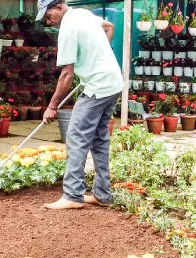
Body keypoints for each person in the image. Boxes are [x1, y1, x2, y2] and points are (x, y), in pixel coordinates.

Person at [36, 0, 123, 210]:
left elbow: (67, 74)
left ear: (58, 6)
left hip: (98, 87)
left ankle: (72, 195)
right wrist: (97, 57)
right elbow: (109, 27)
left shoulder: (67, 28)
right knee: (99, 139)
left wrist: (52, 106)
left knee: (75, 136)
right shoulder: (84, 14)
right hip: (113, 83)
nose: (49, 22)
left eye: (48, 17)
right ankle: (103, 194)